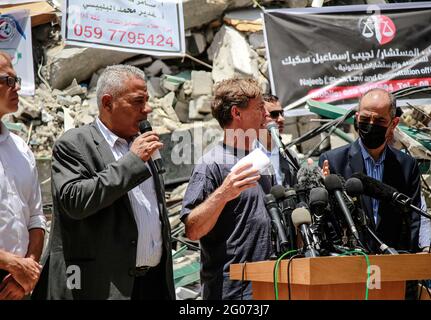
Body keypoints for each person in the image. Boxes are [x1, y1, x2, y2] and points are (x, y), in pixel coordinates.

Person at [32, 65, 175, 300]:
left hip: (153, 285)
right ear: (108, 103)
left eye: (147, 100)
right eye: (138, 101)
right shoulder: (75, 144)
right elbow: (75, 201)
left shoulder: (141, 145)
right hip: (103, 287)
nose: (147, 109)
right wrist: (132, 162)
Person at [180, 78, 273, 300]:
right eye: (259, 107)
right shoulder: (211, 164)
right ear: (236, 113)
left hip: (268, 286)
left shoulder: (260, 161)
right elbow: (193, 229)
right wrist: (224, 193)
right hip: (231, 293)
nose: (265, 114)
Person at [319, 88, 421, 253]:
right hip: (350, 261)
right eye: (366, 118)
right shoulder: (333, 161)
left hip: (394, 263)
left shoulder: (407, 166)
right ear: (357, 118)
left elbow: (414, 219)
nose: (371, 125)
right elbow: (327, 220)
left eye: (380, 121)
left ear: (393, 123)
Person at [0, 51, 46, 300]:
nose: (16, 87)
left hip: (17, 286)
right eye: (7, 81)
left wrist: (28, 270)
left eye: (16, 80)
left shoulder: (20, 148)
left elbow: (36, 218)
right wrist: (11, 263)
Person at [258, 94, 298, 187]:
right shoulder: (249, 155)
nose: (281, 119)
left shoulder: (290, 156)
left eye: (281, 113)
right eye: (274, 114)